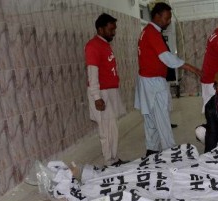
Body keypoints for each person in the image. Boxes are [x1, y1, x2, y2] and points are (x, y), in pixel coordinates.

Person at [135, 2, 202, 157]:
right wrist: (194, 69)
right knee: (162, 118)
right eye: (166, 18)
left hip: (146, 80)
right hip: (153, 82)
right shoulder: (152, 32)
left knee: (150, 117)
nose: (169, 21)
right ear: (157, 16)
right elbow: (167, 58)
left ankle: (152, 150)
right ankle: (169, 151)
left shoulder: (147, 31)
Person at [85, 13, 126, 166]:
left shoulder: (104, 44)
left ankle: (114, 158)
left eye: (114, 29)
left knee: (112, 128)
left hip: (110, 91)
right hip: (101, 93)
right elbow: (92, 73)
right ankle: (109, 161)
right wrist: (97, 97)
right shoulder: (93, 46)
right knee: (105, 130)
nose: (113, 33)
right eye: (111, 30)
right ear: (101, 29)